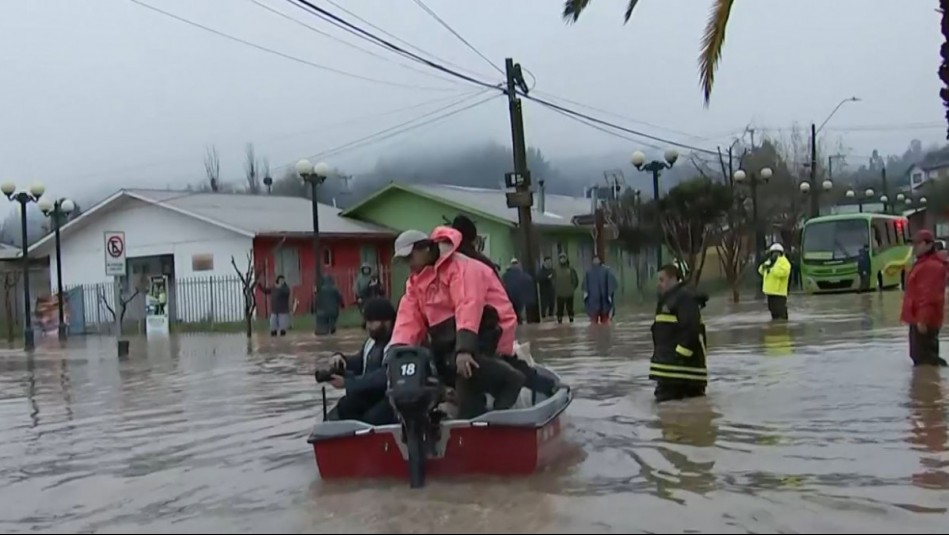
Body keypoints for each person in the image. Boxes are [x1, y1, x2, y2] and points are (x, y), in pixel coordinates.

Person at [390, 227, 525, 419]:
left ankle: (492, 418)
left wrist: (464, 350)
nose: (408, 264)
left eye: (409, 258)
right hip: (451, 338)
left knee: (467, 375)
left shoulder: (460, 268)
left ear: (424, 249)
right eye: (404, 260)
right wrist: (398, 352)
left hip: (487, 329)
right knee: (440, 374)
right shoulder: (416, 282)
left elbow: (468, 304)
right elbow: (408, 318)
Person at [323, 297, 397, 425]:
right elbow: (359, 362)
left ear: (388, 322)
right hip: (369, 396)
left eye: (373, 322)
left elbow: (384, 376)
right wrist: (341, 359)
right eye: (367, 321)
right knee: (345, 406)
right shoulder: (371, 343)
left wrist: (348, 382)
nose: (369, 326)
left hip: (390, 398)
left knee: (373, 417)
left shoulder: (397, 344)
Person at [650, 264, 709, 403]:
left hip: (680, 372)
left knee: (669, 413)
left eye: (661, 280)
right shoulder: (668, 300)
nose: (659, 284)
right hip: (671, 371)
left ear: (673, 279)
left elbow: (691, 329)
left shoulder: (684, 298)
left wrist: (680, 355)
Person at [900, 229, 949, 367]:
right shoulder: (923, 263)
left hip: (924, 320)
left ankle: (933, 383)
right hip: (918, 318)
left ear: (928, 245)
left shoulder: (931, 266)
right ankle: (930, 383)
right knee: (920, 356)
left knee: (925, 358)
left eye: (918, 243)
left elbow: (929, 296)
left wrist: (923, 319)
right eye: (913, 244)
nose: (914, 247)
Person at [758, 243, 791, 320]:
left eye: (777, 253)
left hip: (779, 292)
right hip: (770, 291)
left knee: (780, 310)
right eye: (773, 253)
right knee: (773, 310)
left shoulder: (784, 262)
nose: (775, 255)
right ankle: (775, 325)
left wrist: (771, 269)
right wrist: (764, 267)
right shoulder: (769, 261)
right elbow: (760, 271)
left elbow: (782, 272)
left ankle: (783, 325)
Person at [583, 256, 617, 324]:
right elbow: (585, 287)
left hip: (604, 301)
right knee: (594, 322)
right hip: (593, 301)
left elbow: (611, 283)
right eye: (594, 259)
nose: (596, 261)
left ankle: (604, 333)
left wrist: (609, 294)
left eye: (597, 259)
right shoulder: (588, 272)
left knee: (605, 321)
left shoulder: (606, 271)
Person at [502, 258, 534, 324]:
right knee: (519, 315)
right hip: (519, 299)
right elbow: (529, 281)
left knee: (515, 316)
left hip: (511, 298)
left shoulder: (506, 276)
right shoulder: (523, 275)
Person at [553, 253, 579, 324]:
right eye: (561, 258)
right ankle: (559, 320)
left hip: (569, 293)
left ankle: (571, 320)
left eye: (563, 258)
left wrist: (572, 288)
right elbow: (553, 280)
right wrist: (556, 288)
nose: (562, 259)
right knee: (560, 309)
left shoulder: (570, 269)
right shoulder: (556, 269)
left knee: (570, 308)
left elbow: (575, 280)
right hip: (560, 293)